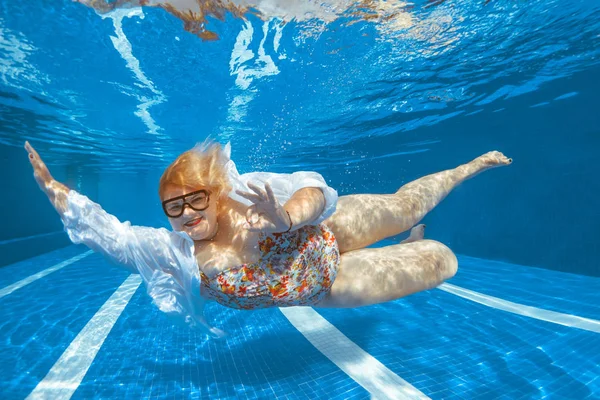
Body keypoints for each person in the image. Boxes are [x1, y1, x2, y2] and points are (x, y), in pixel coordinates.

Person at [24, 140, 511, 337]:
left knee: (405, 206)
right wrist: (53, 188)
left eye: (195, 199)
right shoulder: (171, 253)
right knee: (442, 262)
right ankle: (409, 246)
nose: (187, 214)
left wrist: (287, 217)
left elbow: (312, 186)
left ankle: (468, 167)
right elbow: (106, 232)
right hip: (328, 281)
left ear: (213, 194)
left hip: (324, 231)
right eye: (174, 207)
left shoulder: (245, 195)